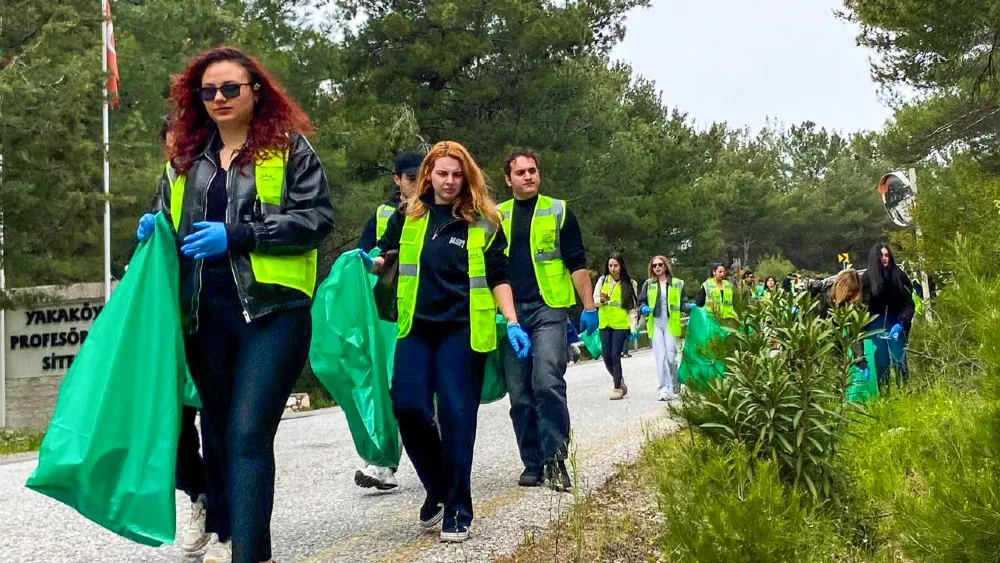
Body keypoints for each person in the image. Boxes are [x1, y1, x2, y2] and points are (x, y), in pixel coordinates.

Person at [136, 46, 334, 563]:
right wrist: (152, 229)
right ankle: (241, 540)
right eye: (207, 91)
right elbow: (168, 223)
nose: (219, 98)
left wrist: (239, 234)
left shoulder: (290, 150)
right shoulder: (184, 161)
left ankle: (249, 556)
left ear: (256, 91)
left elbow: (317, 221)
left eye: (230, 88)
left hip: (273, 314)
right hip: (205, 318)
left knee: (248, 434)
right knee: (220, 436)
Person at [367, 141, 531, 543]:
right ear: (428, 175)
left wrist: (511, 321)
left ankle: (458, 506)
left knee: (457, 417)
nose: (449, 181)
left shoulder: (486, 221)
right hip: (416, 329)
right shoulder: (408, 215)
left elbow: (498, 276)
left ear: (467, 177)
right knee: (407, 407)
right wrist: (372, 262)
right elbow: (385, 256)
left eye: (457, 174)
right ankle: (437, 487)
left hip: (463, 330)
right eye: (442, 173)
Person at [497, 150, 597, 492]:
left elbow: (577, 262)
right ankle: (532, 462)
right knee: (520, 394)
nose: (528, 176)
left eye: (533, 171)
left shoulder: (559, 211)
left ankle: (556, 460)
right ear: (508, 180)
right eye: (520, 172)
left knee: (547, 381)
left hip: (549, 308)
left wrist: (589, 306)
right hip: (511, 315)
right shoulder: (496, 217)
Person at [351, 151, 422, 491]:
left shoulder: (442, 207)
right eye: (411, 177)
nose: (418, 182)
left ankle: (435, 462)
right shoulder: (383, 216)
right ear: (397, 179)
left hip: (430, 313)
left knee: (421, 396)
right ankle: (383, 462)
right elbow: (364, 263)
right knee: (394, 390)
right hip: (389, 319)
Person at [862, 243, 914, 388]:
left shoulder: (898, 275)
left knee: (899, 358)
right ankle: (885, 393)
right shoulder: (867, 279)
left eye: (887, 255)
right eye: (881, 256)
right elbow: (862, 306)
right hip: (876, 323)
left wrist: (902, 322)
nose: (884, 258)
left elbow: (909, 303)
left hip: (895, 320)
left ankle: (904, 390)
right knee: (882, 360)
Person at [638, 256, 689, 401]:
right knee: (661, 358)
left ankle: (674, 383)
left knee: (671, 358)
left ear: (665, 266)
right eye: (654, 266)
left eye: (660, 265)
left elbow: (683, 303)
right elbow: (640, 303)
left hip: (670, 323)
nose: (657, 268)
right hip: (656, 323)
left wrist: (690, 307)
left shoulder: (677, 284)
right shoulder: (648, 284)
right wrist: (644, 308)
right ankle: (663, 389)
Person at [593, 253, 639, 400]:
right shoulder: (602, 280)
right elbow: (594, 300)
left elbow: (632, 308)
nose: (613, 268)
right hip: (605, 322)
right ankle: (619, 379)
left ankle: (617, 387)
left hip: (621, 324)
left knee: (615, 355)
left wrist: (633, 328)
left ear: (621, 266)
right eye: (610, 265)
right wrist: (600, 299)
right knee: (606, 356)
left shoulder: (630, 283)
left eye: (616, 265)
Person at [357, 151, 422, 254]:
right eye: (412, 179)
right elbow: (362, 254)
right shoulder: (382, 212)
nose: (417, 184)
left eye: (422, 179)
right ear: (397, 179)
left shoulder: (433, 211)